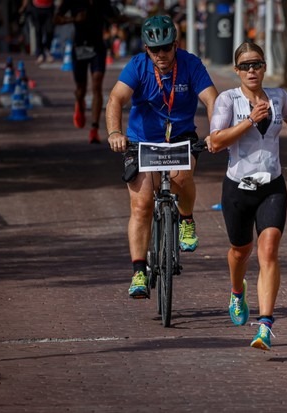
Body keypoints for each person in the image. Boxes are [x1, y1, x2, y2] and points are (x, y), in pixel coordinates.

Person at [105, 15, 218, 298]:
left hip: (179, 138)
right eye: (155, 49)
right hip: (143, 141)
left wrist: (216, 132)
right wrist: (114, 133)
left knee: (182, 177)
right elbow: (116, 99)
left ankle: (187, 220)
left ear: (175, 45)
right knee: (141, 205)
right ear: (146, 49)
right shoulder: (138, 67)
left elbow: (211, 99)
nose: (161, 55)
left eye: (166, 48)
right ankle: (139, 271)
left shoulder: (191, 64)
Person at [205, 42, 287, 351]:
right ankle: (237, 291)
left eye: (257, 64)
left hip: (272, 186)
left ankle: (264, 325)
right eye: (246, 66)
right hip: (238, 188)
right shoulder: (228, 100)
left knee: (269, 250)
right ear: (236, 71)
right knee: (240, 251)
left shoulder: (278, 97)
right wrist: (249, 120)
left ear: (264, 68)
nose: (252, 70)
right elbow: (214, 142)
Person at [54, 0, 119, 144]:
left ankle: (94, 129)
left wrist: (119, 17)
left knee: (97, 84)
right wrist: (73, 19)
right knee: (80, 89)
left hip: (97, 48)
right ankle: (79, 102)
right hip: (80, 48)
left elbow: (112, 16)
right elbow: (56, 18)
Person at [20, 0, 55, 64]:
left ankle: (47, 49)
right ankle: (39, 53)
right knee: (38, 31)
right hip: (36, 7)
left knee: (50, 30)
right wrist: (23, 6)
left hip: (49, 7)